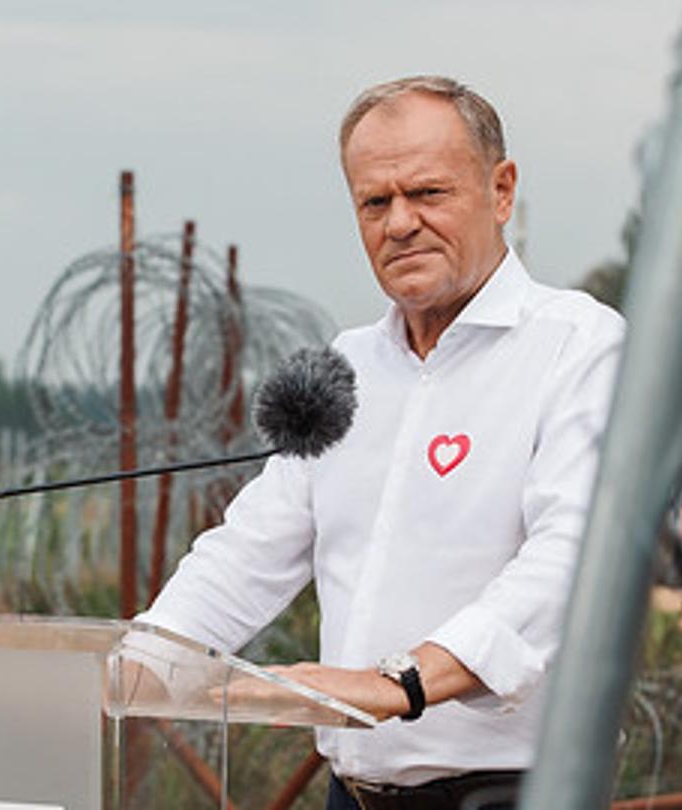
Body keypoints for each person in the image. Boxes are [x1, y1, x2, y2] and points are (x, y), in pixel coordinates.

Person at [137, 76, 623, 810]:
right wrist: (138, 661)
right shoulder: (346, 366)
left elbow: (574, 561)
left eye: (427, 193)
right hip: (354, 794)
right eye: (374, 202)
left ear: (501, 190)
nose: (399, 224)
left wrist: (400, 684)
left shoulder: (580, 347)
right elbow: (250, 549)